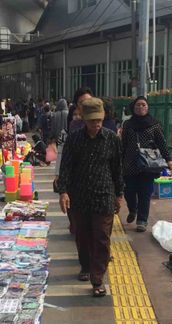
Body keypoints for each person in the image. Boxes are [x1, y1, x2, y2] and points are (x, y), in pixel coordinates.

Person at [57, 97, 123, 298]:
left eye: (99, 120)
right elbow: (66, 167)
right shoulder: (74, 139)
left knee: (102, 237)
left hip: (104, 194)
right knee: (83, 235)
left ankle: (97, 279)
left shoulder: (111, 139)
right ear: (84, 119)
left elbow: (117, 169)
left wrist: (119, 194)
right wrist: (63, 192)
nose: (96, 124)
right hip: (80, 196)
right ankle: (85, 266)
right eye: (92, 120)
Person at [120, 96, 172, 232]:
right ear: (133, 108)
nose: (140, 108)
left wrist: (169, 160)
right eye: (137, 105)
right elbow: (123, 144)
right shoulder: (128, 124)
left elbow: (162, 143)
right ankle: (133, 209)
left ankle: (142, 220)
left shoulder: (155, 124)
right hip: (130, 163)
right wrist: (120, 161)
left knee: (145, 192)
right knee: (129, 191)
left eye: (143, 105)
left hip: (148, 164)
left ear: (148, 107)